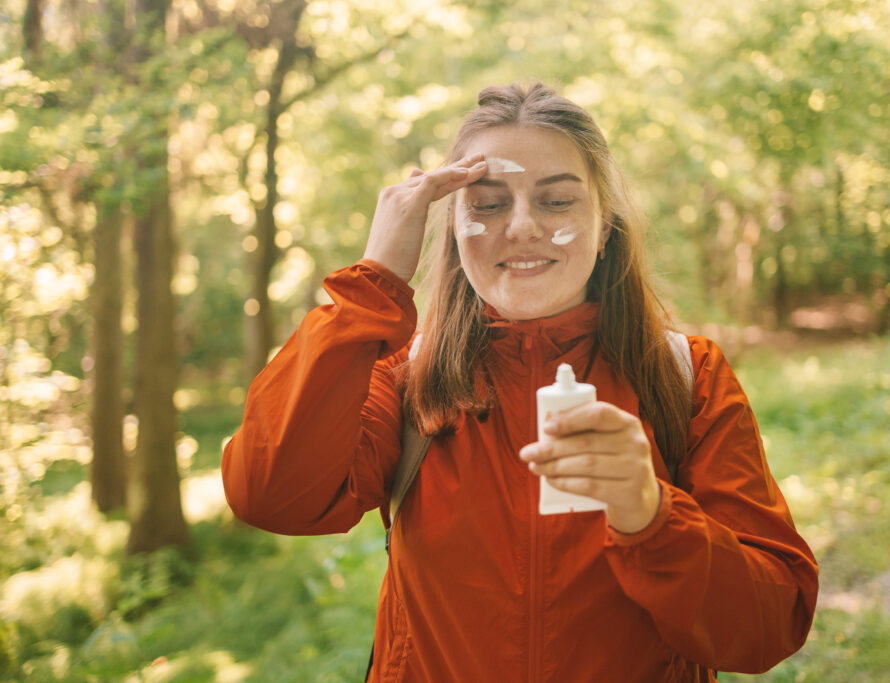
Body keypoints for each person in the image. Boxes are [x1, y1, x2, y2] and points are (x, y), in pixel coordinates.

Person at [222, 82, 818, 682]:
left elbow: (769, 627)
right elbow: (271, 496)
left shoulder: (689, 376)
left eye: (557, 201)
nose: (523, 227)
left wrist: (652, 518)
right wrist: (372, 283)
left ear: (605, 225)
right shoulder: (404, 377)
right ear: (453, 226)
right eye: (487, 204)